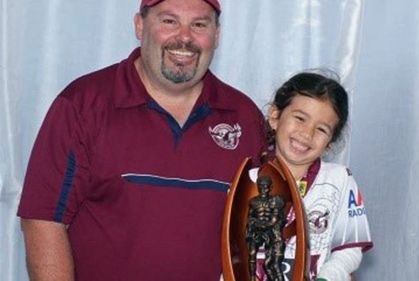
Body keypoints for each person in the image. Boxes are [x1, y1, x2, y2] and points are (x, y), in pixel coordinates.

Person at [16, 0, 266, 280]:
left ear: (217, 35)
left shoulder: (245, 117)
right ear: (139, 25)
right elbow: (44, 219)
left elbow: (265, 226)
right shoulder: (83, 105)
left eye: (199, 24)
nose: (184, 37)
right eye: (169, 21)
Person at [250, 71, 373, 281]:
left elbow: (350, 249)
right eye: (300, 118)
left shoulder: (339, 180)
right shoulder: (245, 181)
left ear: (331, 142)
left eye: (322, 129)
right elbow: (230, 253)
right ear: (275, 116)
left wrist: (328, 277)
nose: (306, 134)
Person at [246, 176, 286, 281]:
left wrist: (257, 222)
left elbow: (274, 221)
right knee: (252, 253)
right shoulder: (253, 201)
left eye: (266, 186)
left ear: (270, 187)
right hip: (257, 231)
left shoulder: (274, 201)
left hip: (270, 232)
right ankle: (252, 278)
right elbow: (250, 217)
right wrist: (250, 230)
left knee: (271, 263)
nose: (263, 189)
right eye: (260, 186)